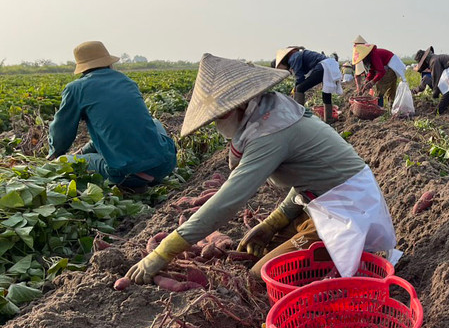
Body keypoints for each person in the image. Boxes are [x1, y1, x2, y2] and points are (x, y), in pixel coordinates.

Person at [125, 54, 399, 284]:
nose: (218, 124)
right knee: (262, 247)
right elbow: (308, 178)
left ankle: (355, 262)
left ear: (241, 103)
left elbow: (229, 199)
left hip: (349, 212)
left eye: (221, 114)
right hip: (325, 202)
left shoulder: (271, 131)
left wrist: (165, 250)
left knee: (259, 277)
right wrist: (273, 222)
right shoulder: (269, 113)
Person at [48, 41, 177, 193]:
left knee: (65, 162)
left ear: (83, 69)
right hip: (165, 164)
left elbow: (61, 132)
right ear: (109, 63)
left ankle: (133, 182)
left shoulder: (76, 89)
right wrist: (83, 151)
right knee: (153, 123)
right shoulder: (127, 81)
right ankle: (146, 173)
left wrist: (55, 154)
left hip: (129, 174)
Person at [274, 47, 342, 124]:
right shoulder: (298, 55)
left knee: (300, 88)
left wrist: (296, 90)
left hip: (324, 66)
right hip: (330, 66)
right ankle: (328, 119)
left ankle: (298, 117)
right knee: (326, 92)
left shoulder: (293, 58)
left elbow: (300, 77)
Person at [413, 46, 449, 114]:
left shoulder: (434, 61)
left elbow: (437, 80)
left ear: (425, 61)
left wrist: (435, 95)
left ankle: (438, 112)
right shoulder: (435, 58)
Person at [352, 43, 406, 108]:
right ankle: (391, 106)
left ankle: (380, 107)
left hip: (392, 67)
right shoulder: (371, 56)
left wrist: (372, 82)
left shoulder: (374, 55)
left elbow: (381, 72)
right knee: (390, 89)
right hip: (390, 67)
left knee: (379, 88)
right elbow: (372, 70)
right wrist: (367, 80)